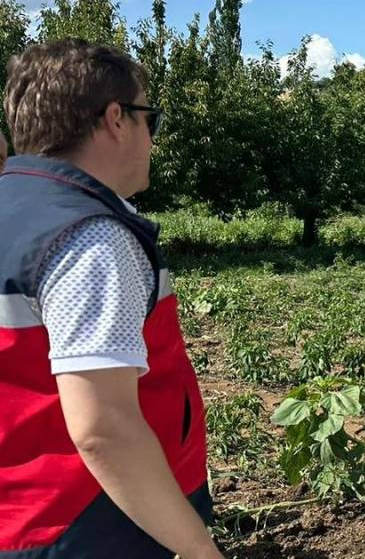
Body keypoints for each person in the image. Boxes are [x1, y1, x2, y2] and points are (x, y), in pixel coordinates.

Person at [0, 40, 220, 558]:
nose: (152, 140)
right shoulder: (88, 238)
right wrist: (200, 552)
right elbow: (105, 429)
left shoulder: (14, 213)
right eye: (150, 119)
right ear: (116, 119)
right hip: (93, 527)